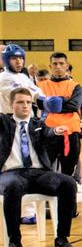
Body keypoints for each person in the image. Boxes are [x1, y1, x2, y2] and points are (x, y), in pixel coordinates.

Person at [0, 87, 78, 247]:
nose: (25, 106)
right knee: (13, 185)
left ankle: (62, 238)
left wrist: (55, 131)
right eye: (20, 102)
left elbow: (48, 132)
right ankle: (15, 241)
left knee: (68, 183)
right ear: (11, 105)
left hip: (37, 173)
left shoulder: (38, 124)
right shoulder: (3, 122)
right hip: (10, 173)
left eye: (28, 102)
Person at [1, 44, 45, 224]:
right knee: (12, 166)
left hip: (27, 125)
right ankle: (19, 210)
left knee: (31, 164)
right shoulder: (4, 78)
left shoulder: (24, 77)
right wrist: (41, 99)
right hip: (8, 125)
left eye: (21, 58)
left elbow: (37, 92)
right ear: (6, 60)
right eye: (14, 58)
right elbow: (22, 93)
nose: (18, 61)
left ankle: (29, 210)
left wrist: (46, 100)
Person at [37, 53, 82, 185]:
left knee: (68, 169)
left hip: (70, 132)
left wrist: (50, 103)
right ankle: (47, 196)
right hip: (48, 132)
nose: (58, 67)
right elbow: (38, 103)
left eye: (61, 64)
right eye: (55, 64)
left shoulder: (76, 86)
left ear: (67, 66)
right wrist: (64, 99)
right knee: (45, 166)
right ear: (50, 66)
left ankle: (67, 193)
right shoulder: (40, 85)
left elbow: (74, 105)